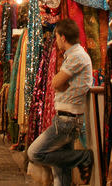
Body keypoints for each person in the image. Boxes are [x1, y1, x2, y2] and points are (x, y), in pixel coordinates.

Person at [27, 19, 94, 186]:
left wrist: (60, 82)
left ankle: (84, 157)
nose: (55, 40)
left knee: (35, 153)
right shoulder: (72, 56)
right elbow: (59, 84)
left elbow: (56, 83)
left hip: (68, 120)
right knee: (62, 171)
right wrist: (61, 82)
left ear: (63, 37)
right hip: (66, 118)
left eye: (56, 36)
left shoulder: (77, 56)